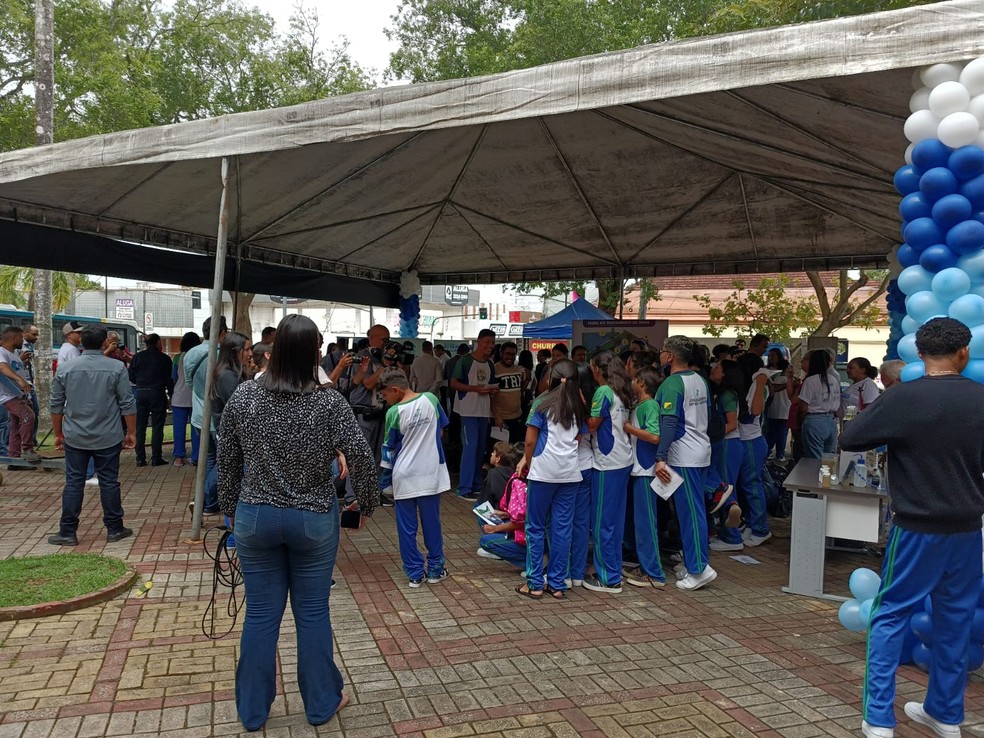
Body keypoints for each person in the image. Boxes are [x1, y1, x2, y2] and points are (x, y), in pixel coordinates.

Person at [217, 314, 378, 732]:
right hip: (312, 519)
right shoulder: (328, 401)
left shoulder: (245, 397)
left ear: (273, 350)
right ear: (313, 353)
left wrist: (230, 510)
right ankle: (321, 703)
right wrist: (368, 501)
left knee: (260, 617)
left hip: (255, 516)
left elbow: (228, 459)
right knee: (311, 614)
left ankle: (252, 711)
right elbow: (359, 453)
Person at [840, 318, 984, 738]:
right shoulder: (980, 398)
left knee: (889, 615)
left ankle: (880, 719)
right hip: (966, 529)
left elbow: (852, 438)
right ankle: (945, 714)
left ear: (920, 356)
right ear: (964, 352)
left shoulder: (905, 398)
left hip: (916, 528)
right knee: (955, 621)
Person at [48, 324, 136, 546]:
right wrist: (132, 432)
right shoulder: (116, 368)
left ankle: (67, 531)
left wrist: (58, 434)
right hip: (108, 435)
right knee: (109, 482)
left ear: (81, 341)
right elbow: (127, 403)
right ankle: (114, 528)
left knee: (74, 483)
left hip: (75, 435)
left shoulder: (65, 369)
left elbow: (56, 405)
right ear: (105, 342)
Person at [516, 358, 584, 600]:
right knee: (562, 529)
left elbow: (530, 441)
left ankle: (534, 583)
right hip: (570, 473)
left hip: (544, 472)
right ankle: (557, 583)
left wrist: (528, 460)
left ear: (551, 378)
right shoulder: (579, 405)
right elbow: (579, 439)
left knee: (534, 526)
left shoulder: (541, 403)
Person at [378, 369, 450, 588]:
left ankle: (415, 574)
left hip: (404, 476)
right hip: (430, 474)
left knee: (406, 528)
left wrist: (384, 482)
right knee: (432, 523)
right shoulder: (431, 399)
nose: (385, 400)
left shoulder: (394, 413)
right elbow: (441, 430)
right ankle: (436, 570)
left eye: (385, 396)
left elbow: (388, 451)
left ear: (395, 390)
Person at [655, 336, 715, 592]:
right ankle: (693, 562)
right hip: (699, 451)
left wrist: (661, 456)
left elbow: (669, 423)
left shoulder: (672, 383)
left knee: (690, 514)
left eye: (662, 351)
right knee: (693, 511)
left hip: (684, 455)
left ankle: (700, 568)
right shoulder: (699, 379)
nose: (660, 355)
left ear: (670, 356)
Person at [582, 350, 633, 594]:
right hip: (623, 460)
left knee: (602, 522)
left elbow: (592, 424)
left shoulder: (602, 392)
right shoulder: (622, 391)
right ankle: (612, 568)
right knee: (615, 521)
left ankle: (608, 577)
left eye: (592, 367)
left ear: (597, 369)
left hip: (606, 462)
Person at [621, 367, 666, 587]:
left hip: (645, 471)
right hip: (639, 469)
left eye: (635, 379)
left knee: (646, 522)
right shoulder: (642, 405)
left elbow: (654, 436)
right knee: (641, 521)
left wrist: (629, 428)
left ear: (642, 384)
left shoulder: (649, 405)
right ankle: (645, 566)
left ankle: (653, 573)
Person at [185, 316, 227, 510]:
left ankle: (208, 503)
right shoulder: (226, 355)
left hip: (198, 416)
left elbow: (189, 384)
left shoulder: (191, 353)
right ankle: (203, 498)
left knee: (210, 458)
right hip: (220, 418)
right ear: (223, 333)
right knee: (225, 459)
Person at [450, 329, 497, 499]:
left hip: (483, 411)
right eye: (487, 342)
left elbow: (491, 385)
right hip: (467, 410)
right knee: (470, 448)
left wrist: (491, 391)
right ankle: (464, 488)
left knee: (480, 449)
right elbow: (454, 383)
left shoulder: (490, 364)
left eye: (492, 343)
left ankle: (476, 485)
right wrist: (475, 389)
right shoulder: (465, 360)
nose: (490, 346)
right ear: (479, 341)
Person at [733, 352, 772, 548]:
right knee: (744, 486)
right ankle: (750, 523)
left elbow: (754, 411)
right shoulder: (747, 386)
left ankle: (760, 529)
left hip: (751, 441)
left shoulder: (759, 386)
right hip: (743, 440)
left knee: (752, 486)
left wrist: (760, 380)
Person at [128, 333, 173, 467]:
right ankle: (156, 457)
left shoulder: (137, 357)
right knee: (157, 426)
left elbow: (131, 376)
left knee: (140, 426)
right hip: (157, 393)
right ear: (158, 342)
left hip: (141, 393)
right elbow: (169, 379)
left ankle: (140, 458)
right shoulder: (165, 359)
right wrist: (171, 395)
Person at [0, 326, 40, 465]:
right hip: (10, 395)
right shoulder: (1, 351)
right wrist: (19, 380)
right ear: (13, 338)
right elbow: (2, 367)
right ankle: (27, 449)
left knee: (16, 427)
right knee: (28, 416)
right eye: (20, 338)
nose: (22, 340)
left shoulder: (14, 353)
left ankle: (14, 458)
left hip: (21, 395)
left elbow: (14, 368)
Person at [477, 465, 528, 569]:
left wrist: (495, 529)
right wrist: (505, 514)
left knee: (486, 541)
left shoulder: (520, 483)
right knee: (484, 513)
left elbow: (521, 521)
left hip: (528, 537)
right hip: (525, 531)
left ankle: (530, 564)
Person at [798, 349, 841, 459]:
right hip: (831, 421)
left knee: (814, 459)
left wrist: (801, 420)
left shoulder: (810, 380)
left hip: (814, 421)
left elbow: (803, 407)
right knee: (828, 459)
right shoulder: (834, 379)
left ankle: (814, 477)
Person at [171, 332, 201, 467]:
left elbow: (173, 377)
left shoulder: (178, 358)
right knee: (196, 429)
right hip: (195, 397)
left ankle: (178, 457)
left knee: (179, 429)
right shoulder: (201, 356)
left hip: (179, 397)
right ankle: (196, 457)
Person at [492, 341, 526, 443]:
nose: (510, 357)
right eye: (507, 354)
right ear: (501, 353)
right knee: (500, 452)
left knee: (515, 450)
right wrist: (497, 416)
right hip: (500, 419)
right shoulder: (493, 370)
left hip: (516, 417)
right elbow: (489, 396)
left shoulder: (519, 370)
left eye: (513, 354)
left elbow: (519, 391)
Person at [764, 352, 791, 460]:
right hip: (785, 411)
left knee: (771, 432)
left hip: (772, 410)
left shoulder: (773, 378)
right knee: (782, 433)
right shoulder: (788, 381)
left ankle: (768, 451)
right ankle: (780, 454)